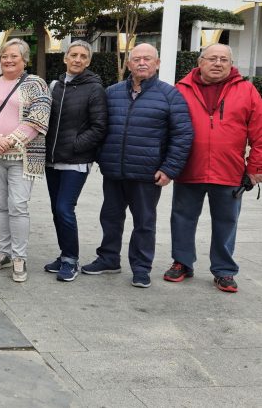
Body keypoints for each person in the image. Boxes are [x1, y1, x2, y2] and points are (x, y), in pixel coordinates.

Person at [82, 43, 193, 288]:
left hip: (147, 174)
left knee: (144, 223)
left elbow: (183, 135)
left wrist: (169, 169)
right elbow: (99, 127)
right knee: (110, 217)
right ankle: (108, 258)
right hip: (114, 170)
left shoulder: (170, 95)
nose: (142, 63)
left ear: (157, 63)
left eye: (147, 58)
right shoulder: (111, 93)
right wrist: (102, 156)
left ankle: (141, 268)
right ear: (129, 63)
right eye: (137, 59)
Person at [165, 44, 262, 293]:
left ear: (231, 64)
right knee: (182, 218)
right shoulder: (181, 89)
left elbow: (259, 135)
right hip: (189, 168)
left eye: (224, 59)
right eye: (212, 58)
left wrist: (254, 169)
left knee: (226, 222)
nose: (218, 63)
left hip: (229, 171)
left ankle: (224, 271)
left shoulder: (247, 90)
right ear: (200, 62)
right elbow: (166, 130)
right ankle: (182, 263)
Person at [0, 38, 50, 283]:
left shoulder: (36, 84)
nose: (8, 60)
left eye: (14, 56)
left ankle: (19, 257)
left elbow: (38, 119)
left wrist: (10, 140)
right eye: (4, 55)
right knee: (1, 205)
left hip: (23, 157)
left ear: (24, 60)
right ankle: (4, 252)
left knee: (18, 205)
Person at [43, 41, 107, 282]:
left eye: (83, 56)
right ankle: (64, 254)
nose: (78, 59)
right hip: (52, 160)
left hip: (76, 162)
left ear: (89, 61)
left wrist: (73, 146)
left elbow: (99, 127)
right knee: (55, 210)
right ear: (65, 58)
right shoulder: (55, 86)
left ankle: (71, 259)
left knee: (64, 208)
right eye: (73, 55)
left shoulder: (94, 88)